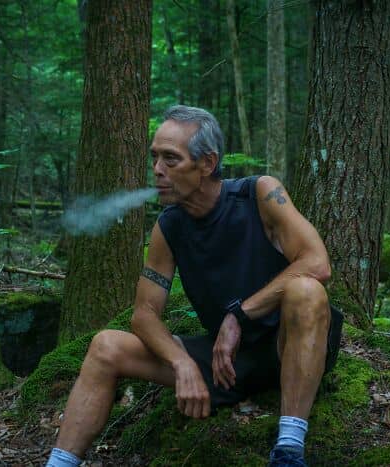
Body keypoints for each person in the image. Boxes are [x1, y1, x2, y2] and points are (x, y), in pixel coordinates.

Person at [46, 105, 343, 467]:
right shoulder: (169, 227)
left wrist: (238, 316)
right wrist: (182, 362)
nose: (158, 169)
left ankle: (289, 451)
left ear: (207, 163)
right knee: (105, 346)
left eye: (171, 159)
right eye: (155, 157)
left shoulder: (259, 194)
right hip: (226, 364)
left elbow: (317, 263)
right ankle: (59, 463)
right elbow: (144, 314)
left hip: (288, 344)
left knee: (307, 291)